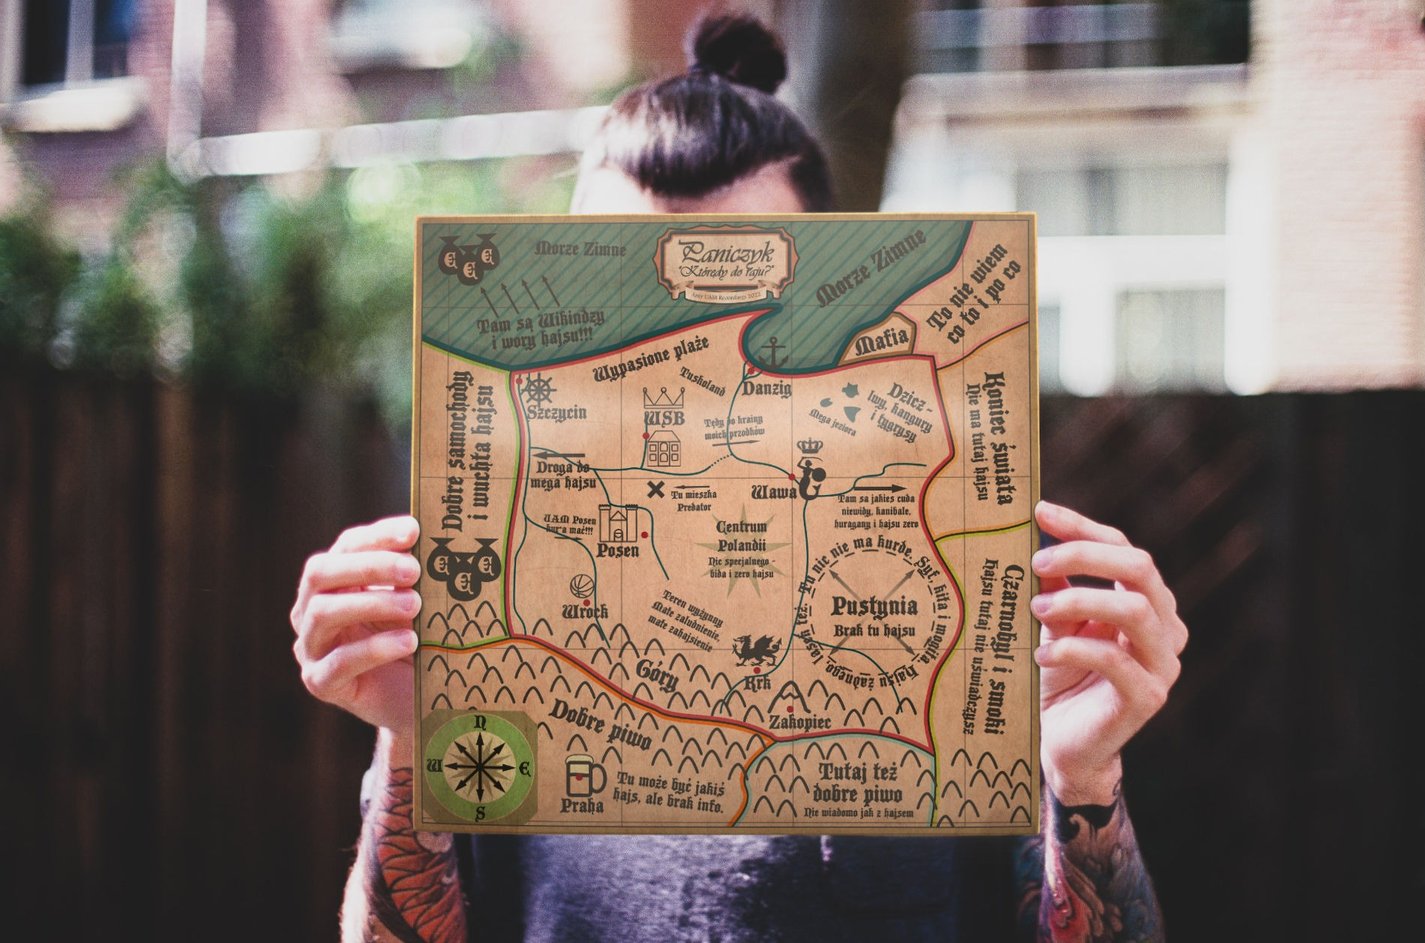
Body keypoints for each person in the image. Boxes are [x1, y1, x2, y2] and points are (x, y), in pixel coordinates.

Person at [290, 13, 1186, 942]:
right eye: (616, 296)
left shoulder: (980, 599)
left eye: (743, 315)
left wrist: (1080, 782)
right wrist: (406, 742)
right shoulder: (478, 598)